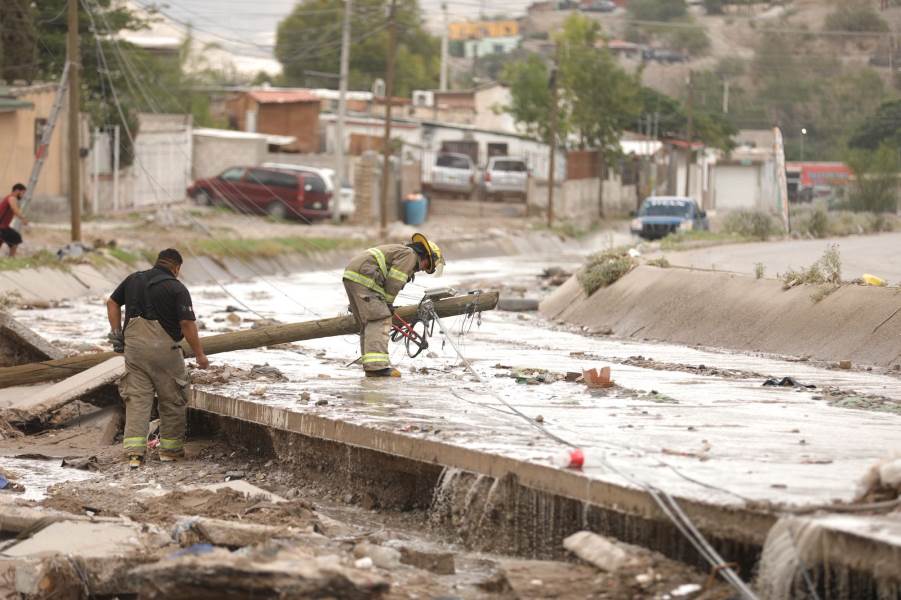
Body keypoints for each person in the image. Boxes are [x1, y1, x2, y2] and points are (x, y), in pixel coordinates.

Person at [106, 248, 209, 469]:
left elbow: (112, 303)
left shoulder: (134, 279)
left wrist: (116, 333)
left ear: (158, 262)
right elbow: (186, 324)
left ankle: (134, 454)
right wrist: (199, 354)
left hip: (134, 350)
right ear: (177, 267)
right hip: (165, 352)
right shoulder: (177, 288)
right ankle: (169, 452)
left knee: (137, 399)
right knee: (173, 399)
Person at [343, 233, 444, 378]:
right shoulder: (410, 255)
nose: (423, 269)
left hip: (354, 275)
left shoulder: (401, 251)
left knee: (367, 323)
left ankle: (371, 366)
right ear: (427, 257)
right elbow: (395, 280)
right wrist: (388, 303)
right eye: (428, 266)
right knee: (380, 319)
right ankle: (377, 368)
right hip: (366, 277)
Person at [0, 183, 29, 257]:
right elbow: (15, 209)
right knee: (16, 238)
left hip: (3, 226)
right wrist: (23, 218)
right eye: (22, 193)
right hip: (2, 226)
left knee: (2, 240)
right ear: (17, 191)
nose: (22, 195)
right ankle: (11, 258)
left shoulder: (9, 198)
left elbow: (14, 211)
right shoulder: (12, 198)